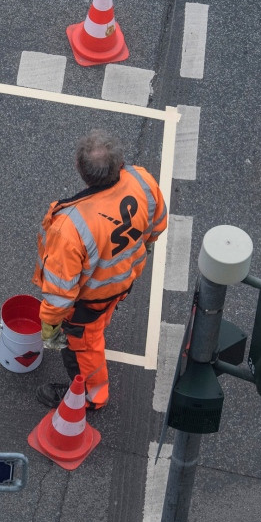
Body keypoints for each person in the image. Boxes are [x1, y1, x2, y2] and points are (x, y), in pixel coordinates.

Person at [34, 130, 167, 410]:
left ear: (79, 168)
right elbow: (157, 223)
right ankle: (98, 331)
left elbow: (60, 294)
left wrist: (49, 326)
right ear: (120, 164)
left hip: (90, 303)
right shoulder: (142, 179)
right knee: (99, 323)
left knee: (83, 348)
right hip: (122, 281)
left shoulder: (70, 227)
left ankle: (92, 397)